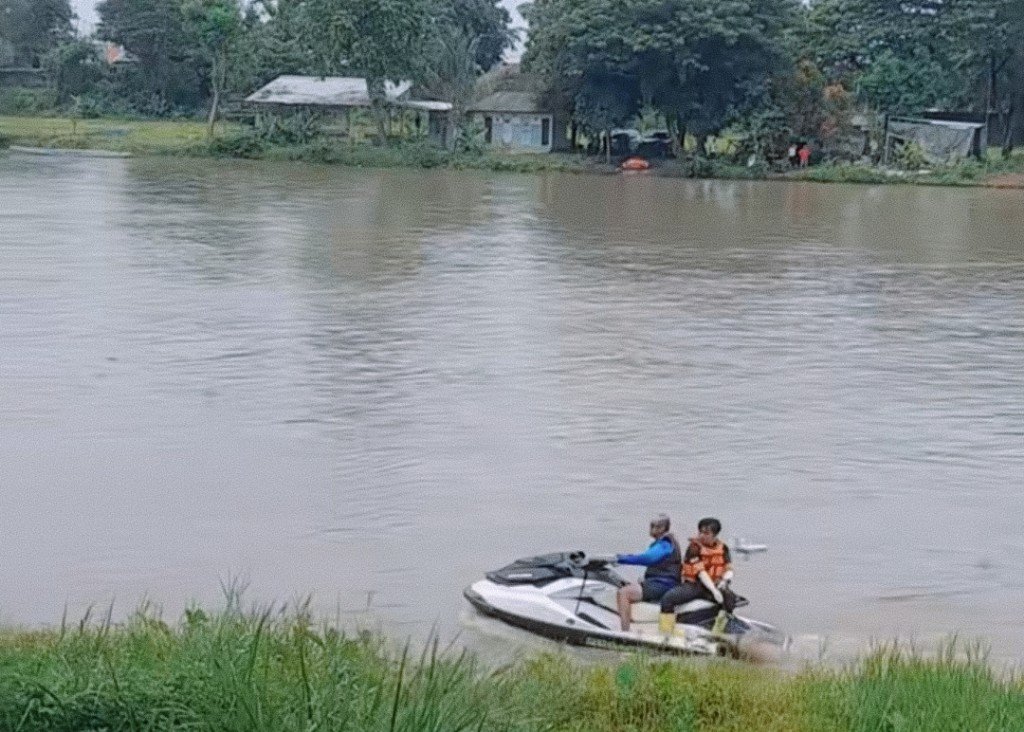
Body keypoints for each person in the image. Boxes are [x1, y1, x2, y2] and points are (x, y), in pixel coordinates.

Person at [657, 517, 735, 635]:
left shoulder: (723, 548)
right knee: (668, 598)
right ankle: (666, 633)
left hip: (716, 583)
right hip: (695, 584)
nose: (702, 535)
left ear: (715, 534)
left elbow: (729, 569)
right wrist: (714, 590)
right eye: (701, 532)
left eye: (706, 533)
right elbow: (700, 572)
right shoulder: (694, 548)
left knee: (730, 599)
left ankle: (718, 632)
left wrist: (724, 581)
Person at [611, 514, 681, 632]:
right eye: (651, 525)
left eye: (655, 526)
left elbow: (647, 558)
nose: (652, 529)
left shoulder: (665, 544)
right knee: (629, 583)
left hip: (663, 584)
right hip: (661, 581)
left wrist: (620, 559)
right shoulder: (662, 543)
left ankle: (625, 633)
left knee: (624, 593)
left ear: (663, 528)